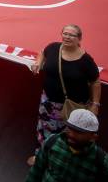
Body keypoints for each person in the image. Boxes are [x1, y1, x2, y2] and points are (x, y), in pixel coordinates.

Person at [29, 24, 101, 164]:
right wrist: (38, 62)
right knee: (44, 130)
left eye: (72, 35)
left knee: (70, 135)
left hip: (73, 106)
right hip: (49, 102)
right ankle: (42, 156)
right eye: (65, 33)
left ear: (79, 39)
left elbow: (95, 82)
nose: (67, 37)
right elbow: (43, 52)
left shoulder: (86, 60)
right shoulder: (53, 47)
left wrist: (95, 104)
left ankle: (63, 161)